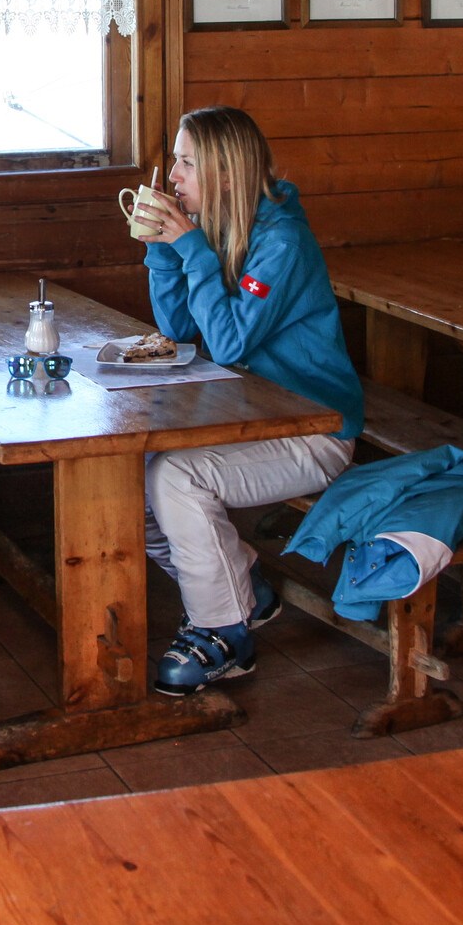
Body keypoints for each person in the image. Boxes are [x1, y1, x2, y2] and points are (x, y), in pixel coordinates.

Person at [127, 107, 362, 693]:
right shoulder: (218, 225)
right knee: (130, 473)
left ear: (227, 174)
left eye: (186, 163)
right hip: (252, 416)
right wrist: (164, 250)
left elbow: (229, 341)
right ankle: (242, 586)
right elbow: (179, 330)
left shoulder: (282, 242)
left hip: (315, 431)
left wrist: (191, 249)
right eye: (175, 161)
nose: (173, 176)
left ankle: (223, 632)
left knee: (176, 478)